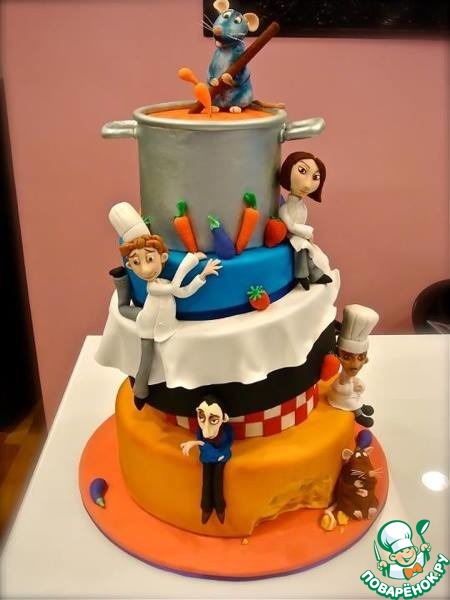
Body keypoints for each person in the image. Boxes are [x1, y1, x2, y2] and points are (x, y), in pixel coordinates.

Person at [109, 202, 221, 409]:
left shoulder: (162, 283)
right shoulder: (154, 287)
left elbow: (183, 292)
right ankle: (140, 391)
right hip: (147, 324)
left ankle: (121, 284)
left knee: (126, 310)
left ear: (163, 257)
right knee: (145, 358)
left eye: (149, 259)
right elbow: (177, 288)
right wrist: (190, 261)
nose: (145, 269)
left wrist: (202, 275)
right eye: (136, 263)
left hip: (154, 318)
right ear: (130, 265)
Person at [278, 151, 332, 291]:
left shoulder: (302, 206)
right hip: (290, 235)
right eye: (302, 171)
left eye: (315, 177)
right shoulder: (284, 208)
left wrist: (307, 234)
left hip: (300, 234)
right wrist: (307, 232)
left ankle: (312, 273)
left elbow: (302, 222)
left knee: (305, 247)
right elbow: (290, 226)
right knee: (301, 246)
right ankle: (303, 275)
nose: (307, 185)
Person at [180, 395, 233, 525]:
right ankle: (206, 507)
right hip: (207, 457)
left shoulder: (226, 431)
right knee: (206, 480)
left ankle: (220, 508)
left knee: (217, 480)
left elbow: (227, 444)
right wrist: (197, 444)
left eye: (213, 420)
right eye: (202, 418)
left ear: (224, 418)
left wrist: (216, 452)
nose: (206, 428)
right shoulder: (200, 431)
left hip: (221, 457)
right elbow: (201, 442)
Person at [327, 304, 379, 427]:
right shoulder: (341, 379)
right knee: (349, 400)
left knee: (356, 396)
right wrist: (346, 388)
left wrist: (358, 384)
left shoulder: (352, 377)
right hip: (340, 398)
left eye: (360, 357)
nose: (355, 365)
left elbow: (353, 380)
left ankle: (360, 405)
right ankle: (358, 413)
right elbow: (338, 385)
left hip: (351, 393)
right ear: (338, 355)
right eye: (347, 357)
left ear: (366, 359)